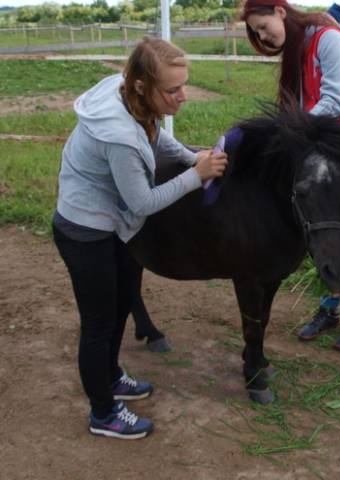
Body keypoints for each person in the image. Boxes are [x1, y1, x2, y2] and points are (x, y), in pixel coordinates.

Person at [53, 37, 227, 439]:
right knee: (98, 323)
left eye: (184, 85)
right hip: (84, 231)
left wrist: (188, 155)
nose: (182, 96)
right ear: (140, 86)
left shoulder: (128, 96)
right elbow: (144, 202)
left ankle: (111, 376)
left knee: (118, 308)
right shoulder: (120, 138)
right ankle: (102, 413)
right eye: (172, 90)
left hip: (108, 223)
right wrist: (195, 176)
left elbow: (152, 131)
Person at [242, 0, 340, 351]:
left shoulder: (329, 40)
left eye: (263, 26)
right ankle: (331, 307)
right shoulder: (298, 49)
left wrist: (279, 130)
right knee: (326, 223)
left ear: (281, 11)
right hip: (332, 141)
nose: (263, 37)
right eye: (256, 33)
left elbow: (333, 102)